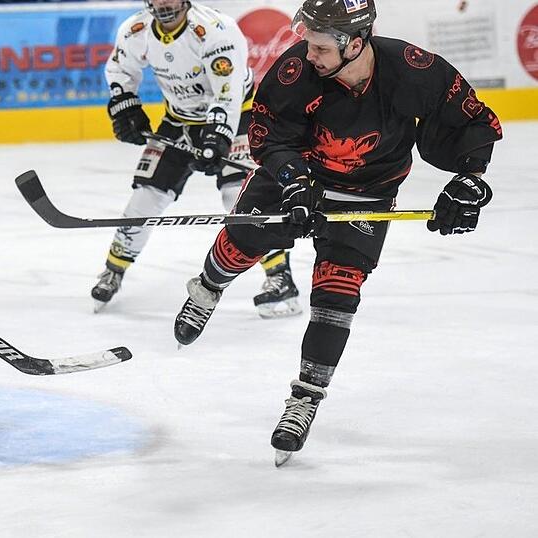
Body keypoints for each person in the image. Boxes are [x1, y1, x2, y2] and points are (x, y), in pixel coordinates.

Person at [171, 0, 502, 463]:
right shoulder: (296, 70)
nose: (309, 55)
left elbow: (472, 123)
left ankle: (304, 399)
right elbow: (269, 134)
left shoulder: (413, 70)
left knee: (337, 294)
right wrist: (293, 183)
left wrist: (470, 180)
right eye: (309, 44)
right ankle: (207, 288)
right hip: (298, 174)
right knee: (240, 243)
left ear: (356, 42)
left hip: (368, 190)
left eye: (321, 48)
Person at [93, 0, 301, 318]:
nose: (164, 3)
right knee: (145, 198)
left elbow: (227, 93)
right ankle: (114, 269)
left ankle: (279, 276)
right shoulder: (135, 29)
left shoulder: (217, 31)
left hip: (239, 118)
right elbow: (121, 70)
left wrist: (217, 137)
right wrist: (126, 106)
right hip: (179, 121)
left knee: (240, 198)